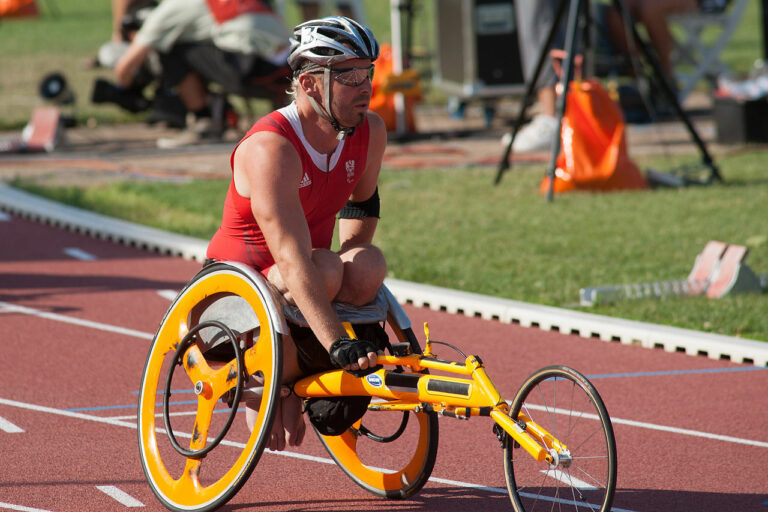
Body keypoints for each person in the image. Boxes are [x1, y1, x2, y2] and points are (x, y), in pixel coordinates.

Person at [205, 16, 388, 451]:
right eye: (349, 76)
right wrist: (338, 343)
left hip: (302, 286)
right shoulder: (271, 147)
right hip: (231, 301)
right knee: (322, 266)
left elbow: (361, 201)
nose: (365, 87)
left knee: (366, 263)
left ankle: (306, 363)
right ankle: (282, 370)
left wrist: (354, 292)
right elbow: (288, 255)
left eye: (368, 73)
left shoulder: (369, 131)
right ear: (308, 84)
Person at [113, 0, 292, 147]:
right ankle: (219, 109)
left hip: (253, 71)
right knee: (205, 44)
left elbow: (125, 67)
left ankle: (204, 121)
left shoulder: (173, 7)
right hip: (289, 67)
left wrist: (126, 90)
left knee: (172, 51)